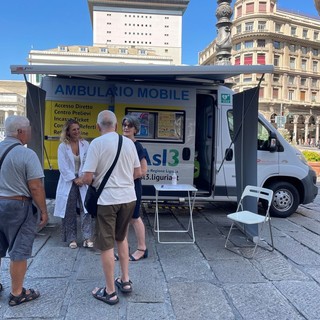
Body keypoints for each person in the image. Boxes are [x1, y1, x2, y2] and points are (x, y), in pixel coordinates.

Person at [81, 110, 141, 305]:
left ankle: (110, 292)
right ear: (116, 126)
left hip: (107, 200)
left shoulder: (96, 144)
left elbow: (88, 178)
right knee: (122, 237)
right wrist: (122, 181)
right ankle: (125, 280)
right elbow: (138, 171)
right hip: (128, 198)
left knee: (106, 245)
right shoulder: (129, 143)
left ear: (98, 126)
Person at [0, 115, 48, 306]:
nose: (30, 131)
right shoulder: (27, 154)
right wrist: (44, 211)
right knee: (19, 250)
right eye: (28, 128)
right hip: (18, 206)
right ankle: (17, 293)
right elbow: (35, 187)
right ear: (20, 132)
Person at [53, 119, 93, 249]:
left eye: (78, 129)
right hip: (69, 181)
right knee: (69, 211)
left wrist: (83, 178)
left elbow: (89, 162)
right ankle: (72, 239)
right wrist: (74, 179)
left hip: (83, 180)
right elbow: (63, 166)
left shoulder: (85, 144)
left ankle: (87, 237)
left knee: (86, 209)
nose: (76, 131)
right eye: (73, 129)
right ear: (68, 132)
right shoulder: (63, 146)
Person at [121, 115, 148, 261]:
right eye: (124, 125)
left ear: (135, 129)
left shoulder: (137, 146)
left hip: (132, 186)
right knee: (124, 219)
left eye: (129, 125)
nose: (126, 127)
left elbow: (143, 170)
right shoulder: (122, 144)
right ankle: (124, 249)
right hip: (124, 187)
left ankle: (142, 249)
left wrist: (125, 179)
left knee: (135, 218)